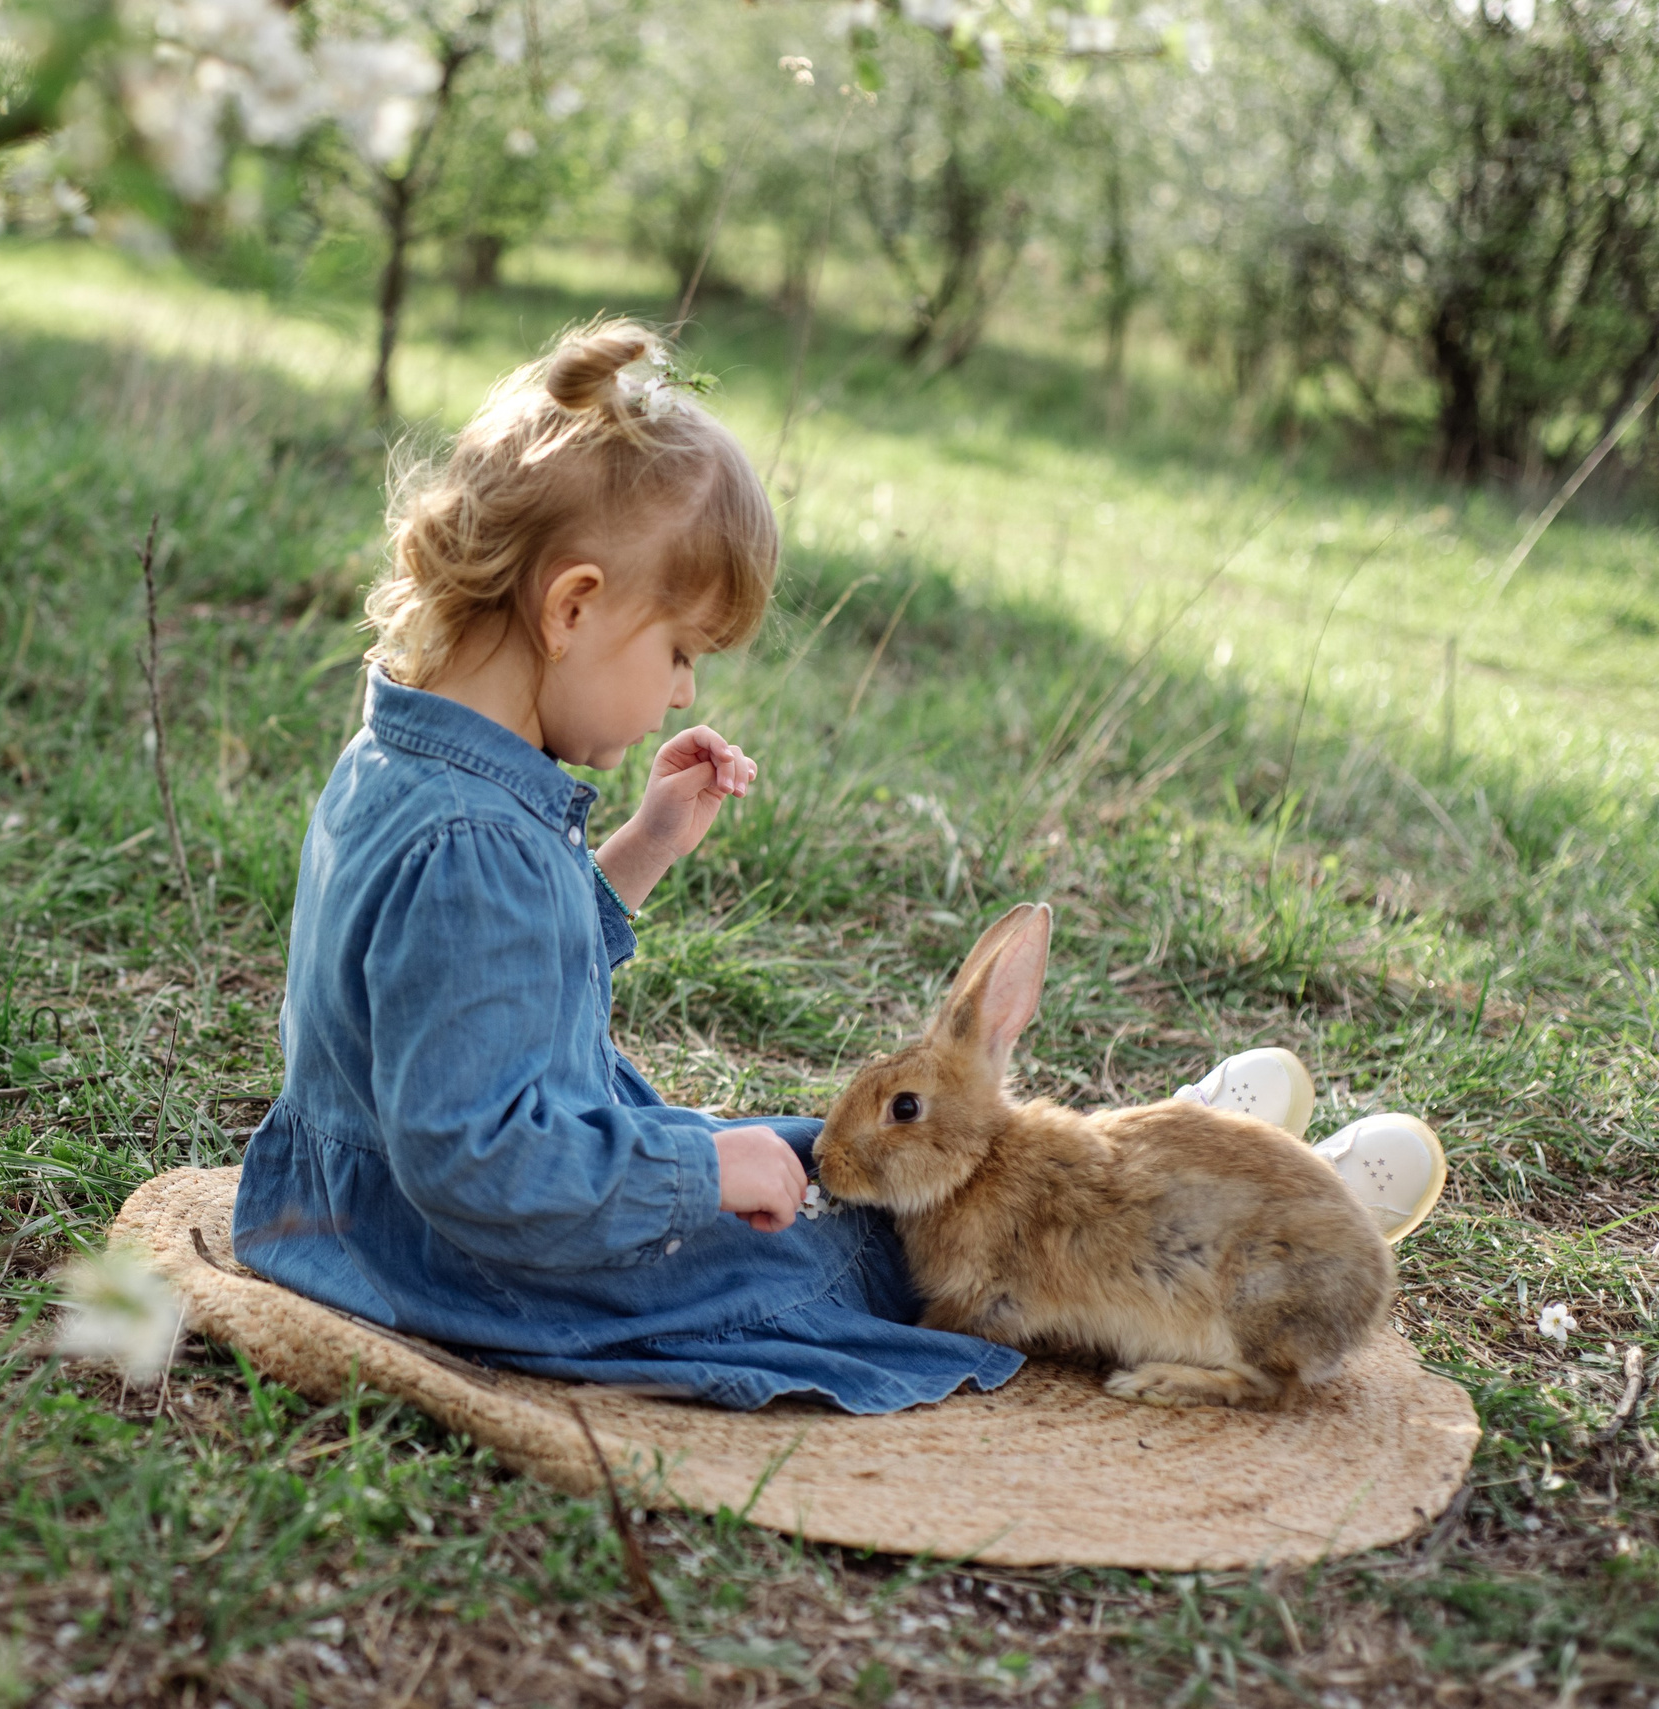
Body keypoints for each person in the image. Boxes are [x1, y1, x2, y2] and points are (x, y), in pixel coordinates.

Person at [229, 320, 1441, 1414]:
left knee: (812, 1153)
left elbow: (491, 975)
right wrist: (695, 1165)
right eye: (683, 652)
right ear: (575, 608)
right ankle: (1264, 1204)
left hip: (347, 1203)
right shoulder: (471, 842)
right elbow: (481, 1157)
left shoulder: (407, 762)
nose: (683, 692)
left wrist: (641, 849)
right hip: (470, 1259)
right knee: (877, 1234)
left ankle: (1212, 1163)